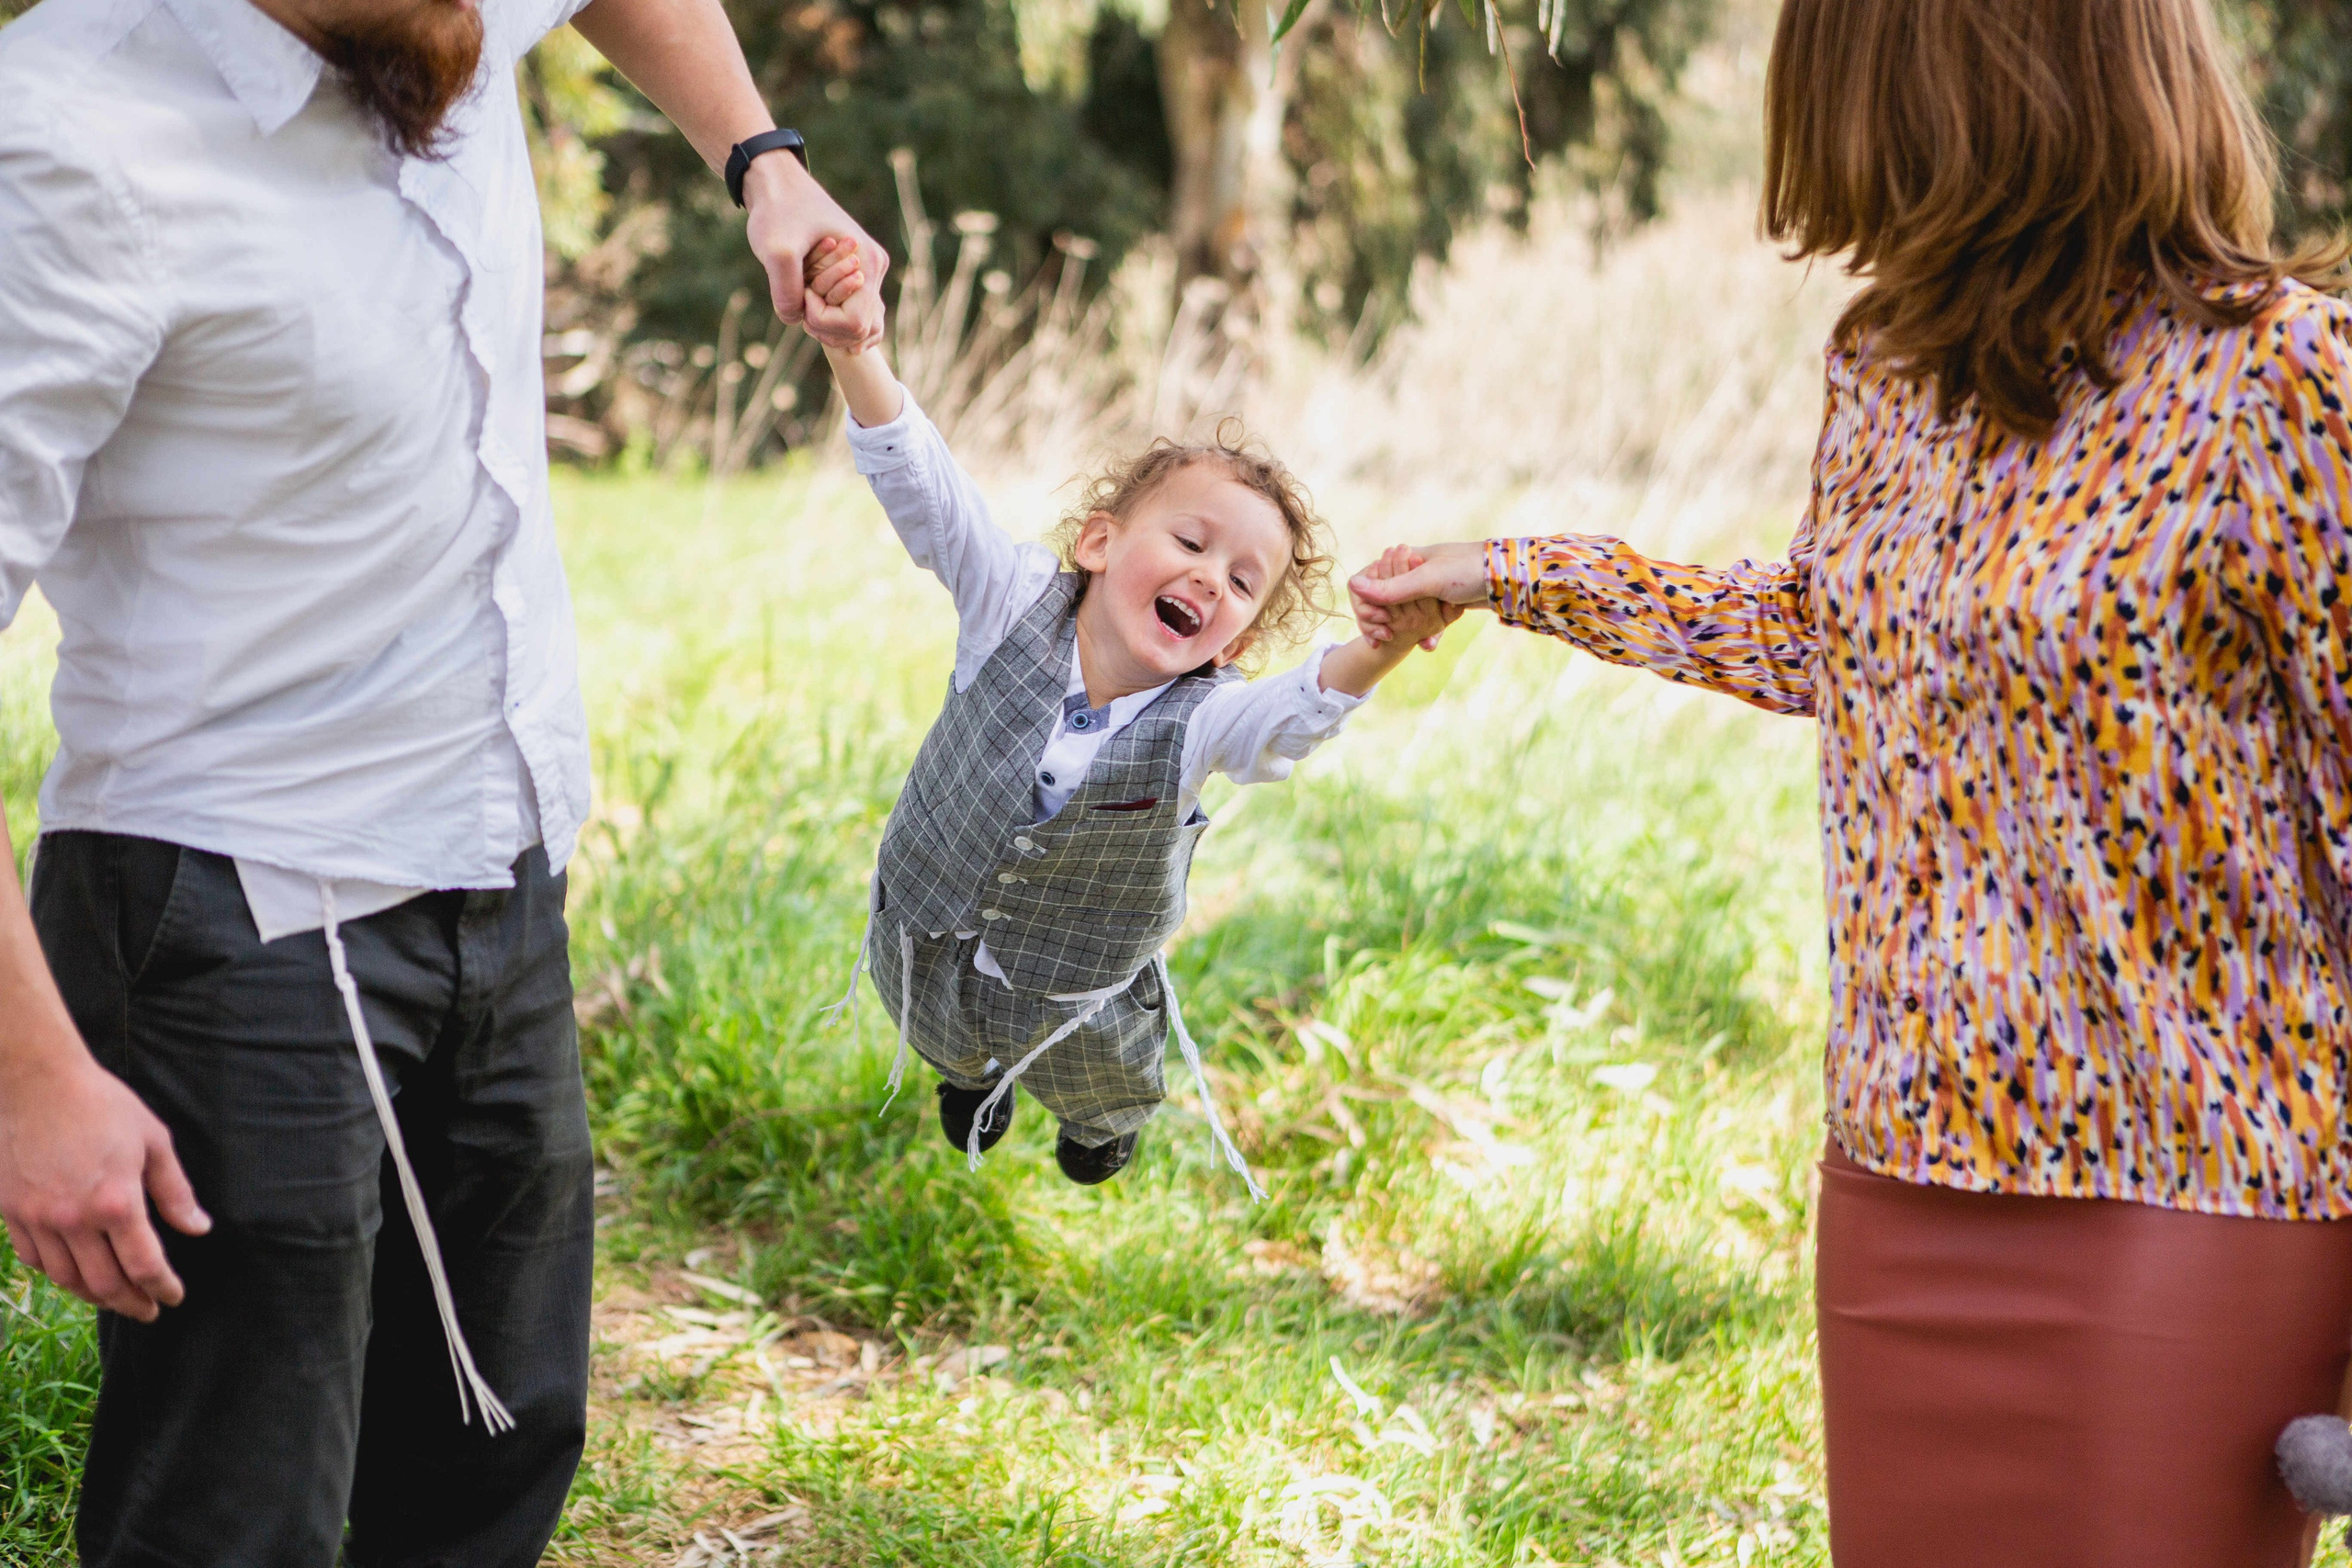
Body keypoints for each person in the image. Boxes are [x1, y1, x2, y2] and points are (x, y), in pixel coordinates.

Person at [1350, 0, 2352, 1562]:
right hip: (1902, 1164)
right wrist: (1518, 573)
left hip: (2196, 1182)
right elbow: (1843, 638)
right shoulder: (1886, 368)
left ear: (1959, 91)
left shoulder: (2284, 383)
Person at [0, 0, 888, 1558]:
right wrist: (30, 1080)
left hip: (496, 858)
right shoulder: (64, 136)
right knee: (240, 1514)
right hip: (233, 915)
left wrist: (760, 160)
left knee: (496, 1445)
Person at [802, 240, 1453, 1189]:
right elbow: (926, 492)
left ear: (1230, 642)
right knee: (943, 1027)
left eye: (1240, 582)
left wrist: (1383, 646)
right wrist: (857, 351)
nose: (1208, 576)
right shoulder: (1009, 600)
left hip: (1076, 984)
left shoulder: (1203, 719)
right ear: (1100, 541)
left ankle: (1100, 1128)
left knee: (1098, 1074)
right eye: (1189, 539)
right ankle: (971, 1081)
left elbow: (1293, 714)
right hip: (931, 930)